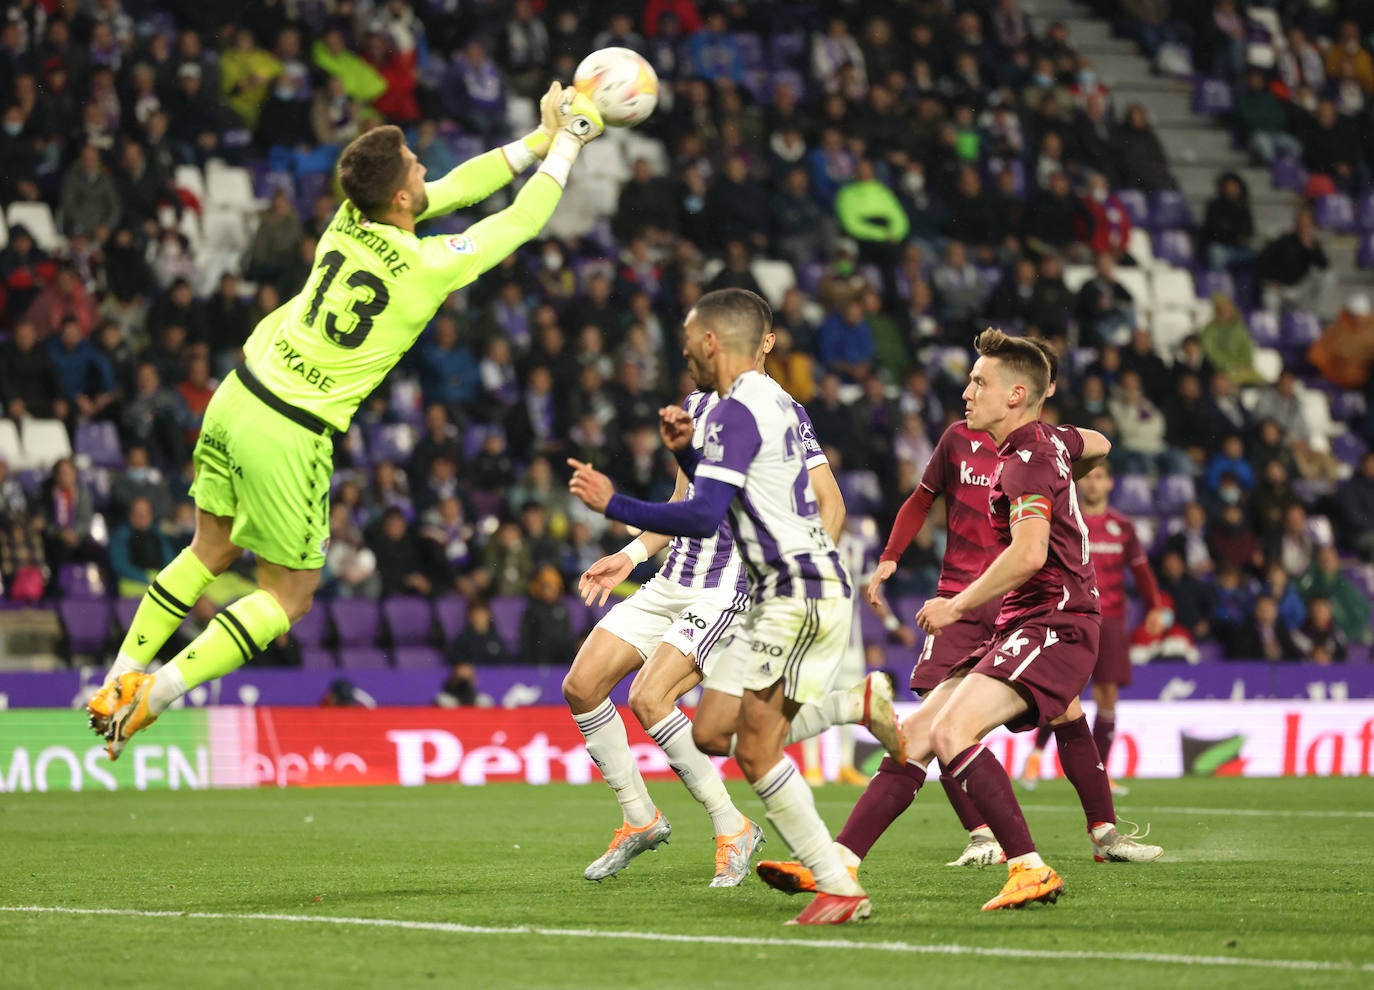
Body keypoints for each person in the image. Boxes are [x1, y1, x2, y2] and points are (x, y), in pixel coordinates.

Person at [87, 84, 607, 758]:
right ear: (398, 198)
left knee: (208, 550)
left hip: (239, 391)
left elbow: (452, 188)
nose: (426, 172)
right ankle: (152, 697)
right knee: (290, 594)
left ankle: (116, 677)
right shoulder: (423, 268)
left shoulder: (348, 219)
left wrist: (536, 140)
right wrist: (568, 145)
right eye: (416, 168)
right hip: (292, 427)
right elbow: (515, 224)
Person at [757, 330, 1163, 913]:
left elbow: (1028, 553)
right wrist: (1065, 451)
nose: (967, 390)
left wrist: (956, 603)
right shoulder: (1038, 444)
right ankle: (837, 862)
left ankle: (1029, 867)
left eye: (980, 382)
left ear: (1017, 394)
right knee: (914, 738)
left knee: (952, 735)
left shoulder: (1024, 462)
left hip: (1054, 623)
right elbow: (1095, 441)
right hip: (1022, 623)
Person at [568, 288, 880, 925]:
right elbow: (690, 496)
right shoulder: (702, 404)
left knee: (654, 700)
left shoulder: (775, 408)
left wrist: (614, 503)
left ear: (714, 339)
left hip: (729, 586)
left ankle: (740, 831)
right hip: (673, 577)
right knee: (583, 685)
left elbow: (826, 502)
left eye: (688, 336)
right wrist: (630, 555)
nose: (680, 347)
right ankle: (640, 817)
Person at [1019, 462, 1165, 794]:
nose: (1094, 484)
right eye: (1088, 478)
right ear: (1079, 484)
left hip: (1112, 621)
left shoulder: (1123, 527)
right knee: (1063, 690)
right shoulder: (1067, 521)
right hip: (1074, 615)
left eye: (1100, 477)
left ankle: (1102, 771)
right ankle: (1037, 755)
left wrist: (1155, 606)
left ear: (1110, 483)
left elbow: (1141, 572)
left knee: (1107, 695)